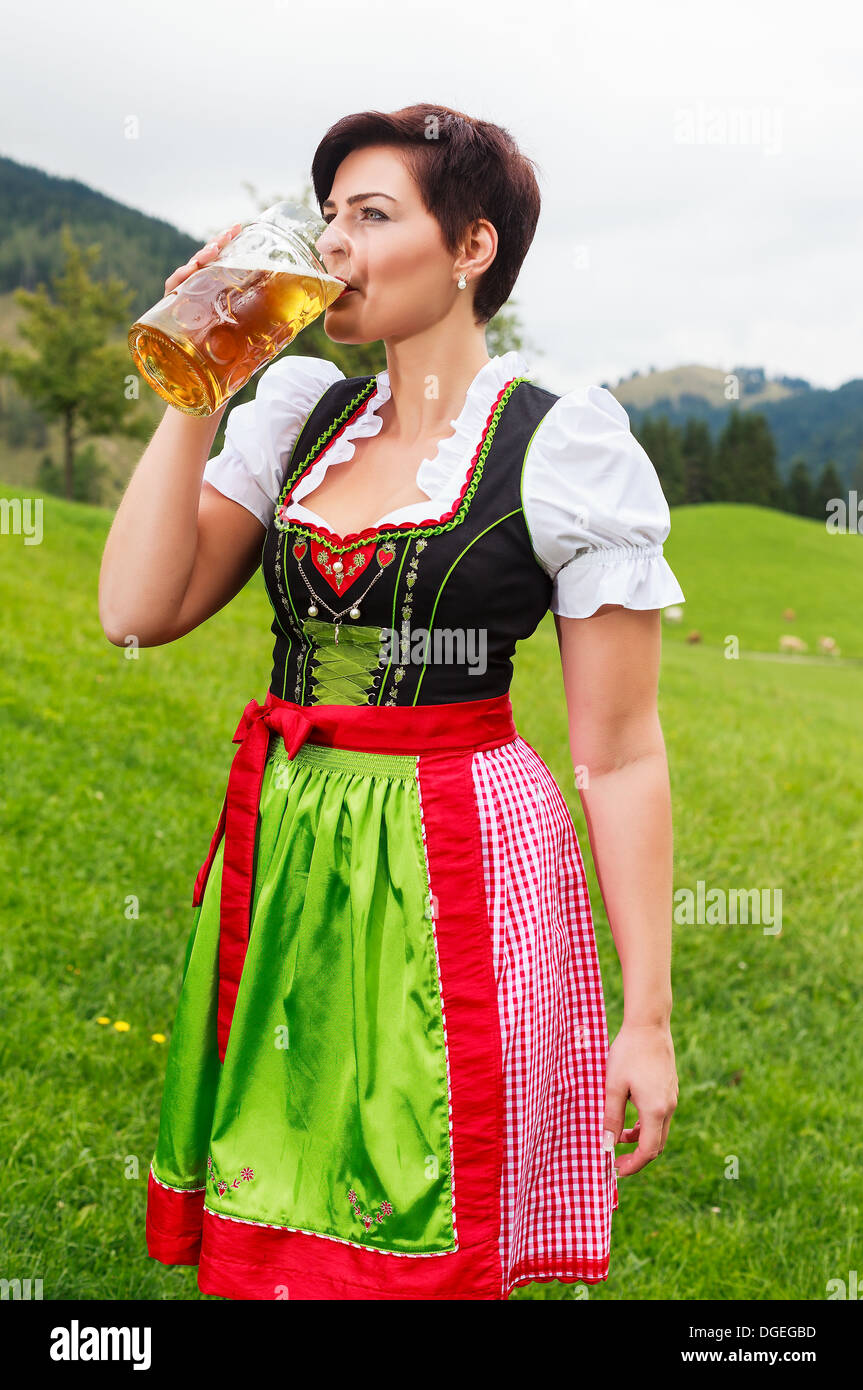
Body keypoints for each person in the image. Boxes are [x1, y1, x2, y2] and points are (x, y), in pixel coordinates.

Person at [99, 103, 683, 1302]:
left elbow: (618, 757)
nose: (335, 249)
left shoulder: (559, 446)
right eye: (327, 218)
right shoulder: (297, 416)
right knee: (279, 1183)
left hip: (460, 862)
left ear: (469, 249)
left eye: (372, 216)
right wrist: (199, 380)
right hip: (292, 845)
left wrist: (649, 1016)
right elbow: (136, 609)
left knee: (417, 1212)